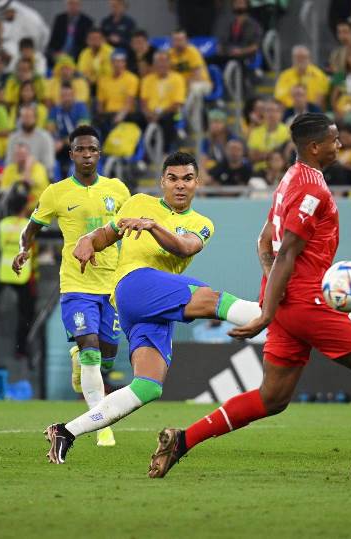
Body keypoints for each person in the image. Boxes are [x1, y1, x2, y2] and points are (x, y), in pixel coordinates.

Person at [150, 113, 351, 480]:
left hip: (288, 300)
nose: (340, 145)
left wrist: (273, 297)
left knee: (272, 398)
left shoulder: (291, 178)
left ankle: (182, 440)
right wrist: (268, 311)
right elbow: (287, 250)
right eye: (335, 140)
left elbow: (263, 243)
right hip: (308, 299)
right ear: (315, 146)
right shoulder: (312, 189)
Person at [42, 151, 262, 463]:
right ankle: (275, 315)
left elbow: (183, 246)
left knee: (148, 386)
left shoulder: (201, 223)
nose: (180, 185)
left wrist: (151, 226)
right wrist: (88, 240)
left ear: (197, 183)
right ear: (162, 182)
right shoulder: (138, 202)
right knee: (211, 298)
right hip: (134, 285)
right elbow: (107, 233)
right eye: (173, 179)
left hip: (153, 306)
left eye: (187, 178)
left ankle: (66, 432)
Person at [13, 125, 131, 448]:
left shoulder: (118, 190)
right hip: (76, 284)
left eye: (92, 149)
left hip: (112, 285)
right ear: (71, 154)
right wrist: (24, 249)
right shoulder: (56, 192)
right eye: (81, 150)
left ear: (99, 153)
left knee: (108, 355)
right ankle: (101, 425)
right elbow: (32, 227)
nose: (87, 155)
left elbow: (131, 228)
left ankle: (81, 362)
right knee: (91, 348)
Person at [0, 184, 38, 360]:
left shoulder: (3, 224)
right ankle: (22, 348)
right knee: (27, 313)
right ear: (24, 207)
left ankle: (20, 347)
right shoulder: (27, 225)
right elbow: (32, 250)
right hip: (24, 274)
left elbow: (1, 246)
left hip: (5, 273)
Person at [0, 142, 49, 213]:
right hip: (13, 208)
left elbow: (28, 182)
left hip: (36, 210)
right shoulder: (9, 169)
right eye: (18, 154)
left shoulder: (39, 168)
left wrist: (27, 167)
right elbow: (3, 189)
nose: (20, 158)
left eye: (23, 154)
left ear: (29, 156)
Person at [6, 104, 55, 175]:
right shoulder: (13, 138)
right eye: (24, 117)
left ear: (35, 118)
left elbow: (49, 164)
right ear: (19, 119)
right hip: (17, 174)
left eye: (29, 117)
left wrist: (30, 166)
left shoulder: (45, 137)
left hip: (39, 174)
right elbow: (9, 162)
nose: (27, 120)